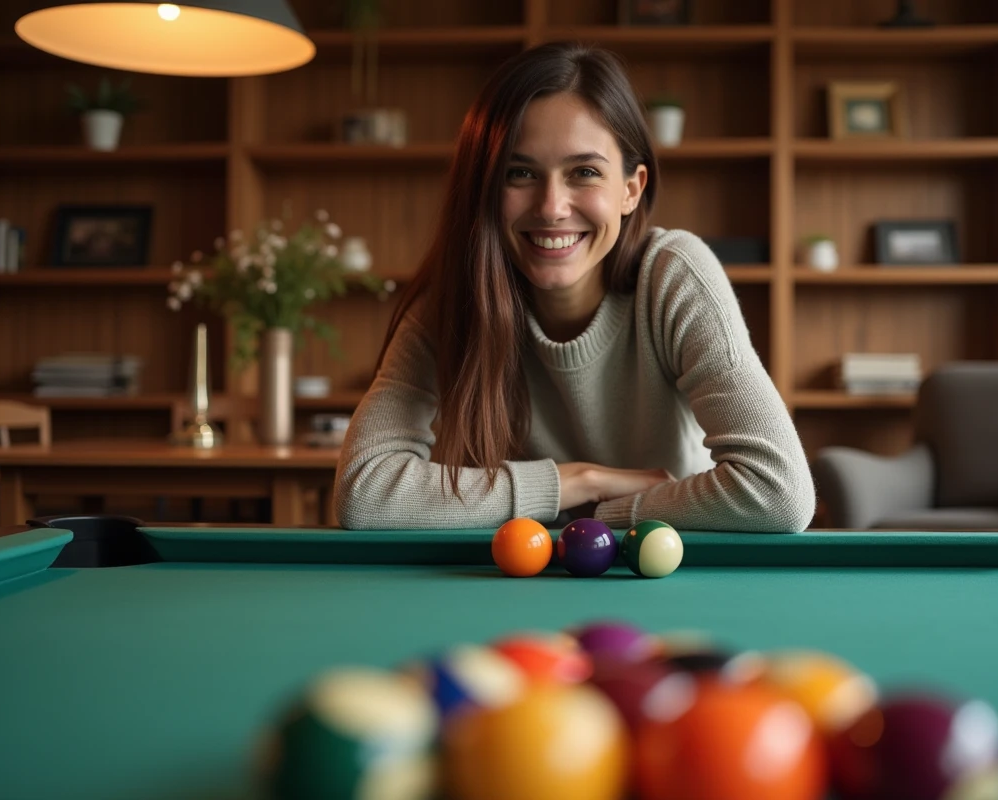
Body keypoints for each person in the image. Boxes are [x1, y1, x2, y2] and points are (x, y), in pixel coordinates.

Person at [335, 41, 815, 532]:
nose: (551, 206)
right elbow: (363, 493)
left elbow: (779, 492)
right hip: (512, 579)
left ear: (631, 189)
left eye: (584, 172)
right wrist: (576, 482)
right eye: (519, 173)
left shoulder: (674, 275)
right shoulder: (454, 293)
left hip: (664, 566)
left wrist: (605, 514)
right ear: (484, 188)